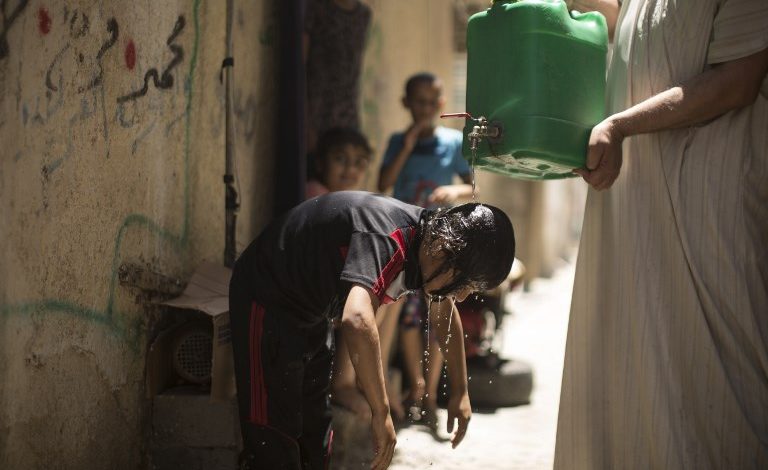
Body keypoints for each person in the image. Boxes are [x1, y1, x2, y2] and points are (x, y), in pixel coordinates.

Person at [556, 1, 768, 469]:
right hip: (631, 208)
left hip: (706, 208)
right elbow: (639, 29)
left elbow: (739, 79)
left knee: (717, 389)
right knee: (626, 375)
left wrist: (621, 125)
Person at [229, 191, 515, 470]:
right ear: (443, 248)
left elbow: (444, 314)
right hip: (268, 294)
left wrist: (460, 390)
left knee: (314, 433)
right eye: (464, 284)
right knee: (273, 435)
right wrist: (381, 411)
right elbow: (357, 318)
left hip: (312, 310)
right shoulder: (389, 239)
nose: (462, 296)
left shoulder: (430, 244)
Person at [378, 72, 474, 428]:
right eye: (419, 102)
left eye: (433, 102)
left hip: (439, 246)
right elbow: (384, 183)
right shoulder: (397, 141)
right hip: (405, 243)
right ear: (406, 104)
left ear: (442, 104)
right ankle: (416, 386)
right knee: (406, 316)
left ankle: (432, 395)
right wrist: (407, 145)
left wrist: (454, 192)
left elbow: (473, 187)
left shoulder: (452, 143)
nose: (426, 108)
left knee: (439, 315)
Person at [303, 0, 371, 153]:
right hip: (316, 113)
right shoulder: (317, 8)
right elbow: (299, 65)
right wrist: (306, 120)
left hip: (348, 115)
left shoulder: (364, 15)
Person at [306, 127, 372, 199]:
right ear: (320, 163)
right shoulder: (314, 193)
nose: (350, 169)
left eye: (359, 162)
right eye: (341, 159)